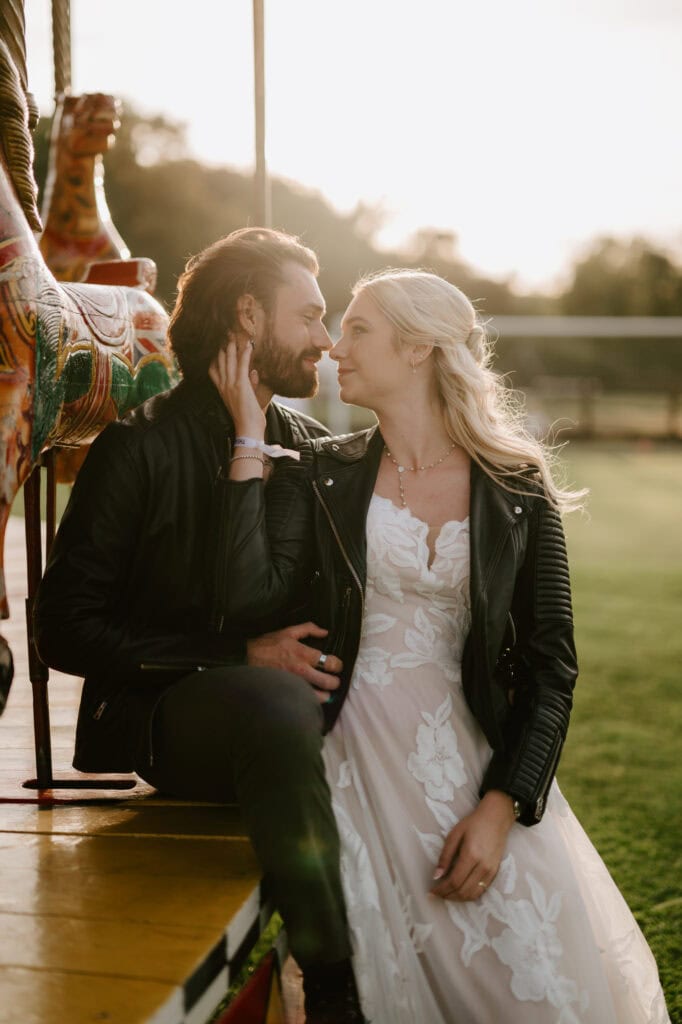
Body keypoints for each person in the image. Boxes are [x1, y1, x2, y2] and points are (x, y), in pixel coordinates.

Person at [212, 268, 671, 1023]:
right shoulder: (325, 476)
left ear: (419, 346)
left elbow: (551, 666)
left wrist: (502, 805)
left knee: (526, 982)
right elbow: (248, 599)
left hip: (472, 765)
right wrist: (246, 440)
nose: (335, 347)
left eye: (358, 328)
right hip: (349, 756)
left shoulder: (517, 484)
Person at [34, 227, 367, 1024]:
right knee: (272, 700)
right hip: (164, 719)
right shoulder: (136, 447)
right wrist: (236, 653)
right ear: (249, 315)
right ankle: (334, 985)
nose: (327, 337)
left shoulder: (312, 448)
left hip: (292, 723)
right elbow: (64, 629)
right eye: (311, 315)